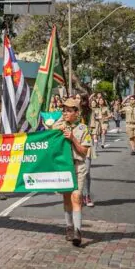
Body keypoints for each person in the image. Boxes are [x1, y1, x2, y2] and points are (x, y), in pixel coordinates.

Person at [53, 99, 92, 247]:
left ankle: (77, 231)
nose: (65, 113)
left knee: (76, 197)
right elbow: (48, 134)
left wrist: (72, 138)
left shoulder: (83, 129)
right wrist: (60, 122)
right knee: (67, 198)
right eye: (64, 110)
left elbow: (84, 151)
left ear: (77, 113)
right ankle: (69, 227)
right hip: (63, 167)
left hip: (78, 166)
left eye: (69, 110)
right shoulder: (60, 125)